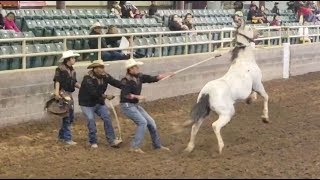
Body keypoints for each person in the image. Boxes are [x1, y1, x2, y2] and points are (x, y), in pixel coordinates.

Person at [119, 59, 175, 154]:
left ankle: (157, 145)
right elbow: (126, 95)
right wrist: (138, 96)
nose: (138, 68)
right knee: (143, 122)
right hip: (127, 106)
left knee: (151, 122)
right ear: (130, 69)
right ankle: (134, 146)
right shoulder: (125, 81)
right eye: (135, 67)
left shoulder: (139, 77)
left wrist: (168, 74)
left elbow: (153, 78)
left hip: (134, 105)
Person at [78, 60, 124, 148]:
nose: (103, 69)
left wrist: (125, 86)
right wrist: (106, 96)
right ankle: (93, 141)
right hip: (87, 103)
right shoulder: (87, 79)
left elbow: (115, 82)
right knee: (91, 120)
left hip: (98, 102)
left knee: (107, 117)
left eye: (103, 67)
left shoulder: (105, 76)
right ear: (95, 69)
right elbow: (93, 92)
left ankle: (112, 140)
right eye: (100, 67)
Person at [54, 50, 81, 145]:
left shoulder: (72, 70)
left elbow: (74, 82)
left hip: (68, 94)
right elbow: (57, 81)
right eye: (73, 58)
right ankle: (67, 138)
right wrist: (57, 93)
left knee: (69, 116)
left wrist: (81, 86)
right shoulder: (60, 69)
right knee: (67, 116)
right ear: (68, 59)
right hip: (63, 93)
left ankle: (62, 136)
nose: (74, 60)